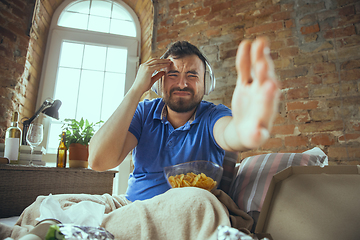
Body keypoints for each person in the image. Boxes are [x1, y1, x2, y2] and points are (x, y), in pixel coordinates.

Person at [88, 37, 280, 202]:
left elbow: (230, 134)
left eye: (192, 75)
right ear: (159, 82)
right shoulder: (143, 112)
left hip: (189, 212)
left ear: (206, 84)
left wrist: (245, 128)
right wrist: (136, 89)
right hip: (133, 207)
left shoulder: (213, 115)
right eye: (173, 75)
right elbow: (98, 162)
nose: (182, 83)